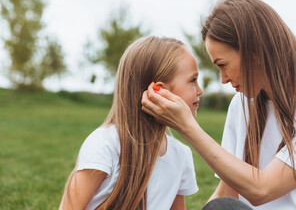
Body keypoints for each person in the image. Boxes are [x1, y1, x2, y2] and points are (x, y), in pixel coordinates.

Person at [141, 0, 296, 209]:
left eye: (223, 64)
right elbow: (227, 192)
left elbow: (262, 190)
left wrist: (187, 126)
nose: (223, 79)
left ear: (254, 52)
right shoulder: (243, 104)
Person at [60, 36, 202, 210]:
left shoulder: (180, 154)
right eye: (193, 80)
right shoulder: (105, 144)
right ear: (159, 91)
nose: (200, 90)